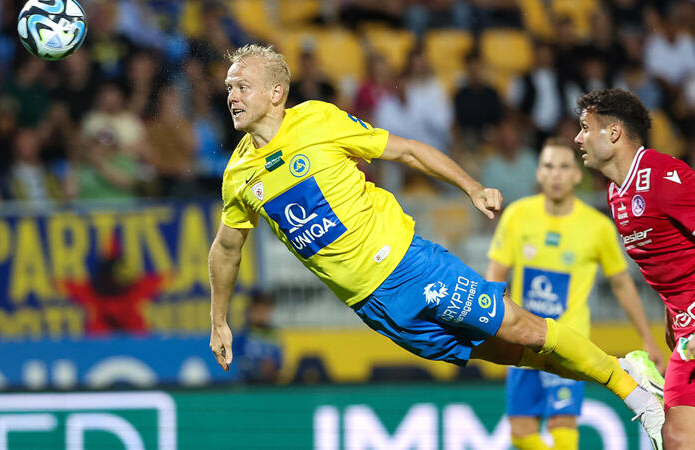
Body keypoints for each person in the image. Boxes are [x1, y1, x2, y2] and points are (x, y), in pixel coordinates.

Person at [208, 45, 665, 447]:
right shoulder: (238, 176)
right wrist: (219, 319)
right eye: (229, 88)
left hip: (410, 267)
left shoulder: (318, 121)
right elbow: (227, 249)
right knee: (516, 355)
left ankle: (633, 390)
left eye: (243, 86)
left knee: (523, 330)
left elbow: (406, 151)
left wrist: (471, 187)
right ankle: (623, 369)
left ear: (276, 93)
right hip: (372, 306)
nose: (232, 96)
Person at [486, 137, 664, 450]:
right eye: (549, 166)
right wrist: (494, 325)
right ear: (539, 173)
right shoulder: (517, 216)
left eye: (564, 167)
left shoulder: (597, 227)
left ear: (576, 175)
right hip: (521, 339)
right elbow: (495, 276)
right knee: (520, 432)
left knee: (562, 424)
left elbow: (622, 284)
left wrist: (648, 339)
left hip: (568, 342)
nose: (556, 174)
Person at [575, 88, 695, 450]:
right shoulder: (616, 194)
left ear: (613, 133)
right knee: (676, 438)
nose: (577, 138)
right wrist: (671, 313)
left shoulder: (665, 175)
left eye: (585, 127)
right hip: (683, 323)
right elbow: (672, 259)